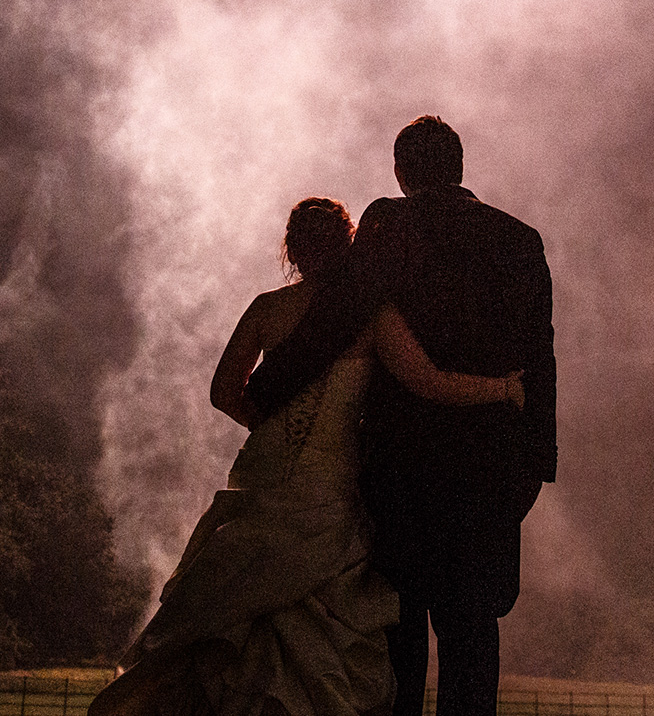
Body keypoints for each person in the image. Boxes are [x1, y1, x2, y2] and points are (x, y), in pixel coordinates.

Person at [92, 197, 524, 716]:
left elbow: (222, 392)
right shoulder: (372, 317)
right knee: (319, 625)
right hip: (329, 484)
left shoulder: (267, 307)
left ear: (292, 249)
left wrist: (268, 426)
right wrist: (501, 388)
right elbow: (428, 381)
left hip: (263, 472)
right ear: (347, 247)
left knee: (231, 606)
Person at [247, 117, 556, 716]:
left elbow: (338, 316)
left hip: (402, 472)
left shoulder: (388, 222)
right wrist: (534, 468)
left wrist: (269, 388)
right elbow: (540, 361)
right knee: (472, 634)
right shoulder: (521, 241)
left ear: (400, 172)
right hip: (489, 473)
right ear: (460, 168)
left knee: (401, 632)